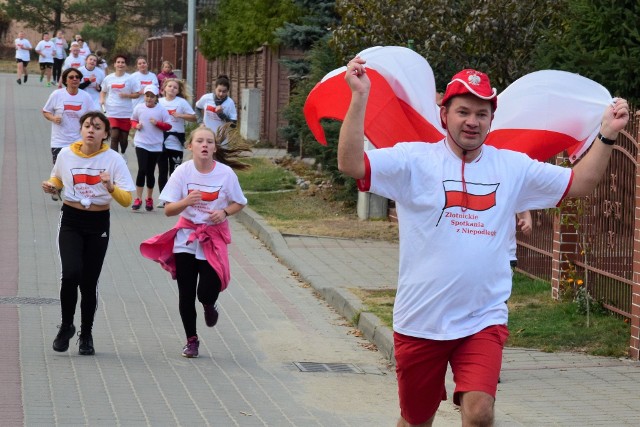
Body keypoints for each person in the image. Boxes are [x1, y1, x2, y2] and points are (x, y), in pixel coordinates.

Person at [338, 57, 629, 427]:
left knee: (479, 413)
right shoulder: (414, 160)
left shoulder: (512, 166)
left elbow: (579, 185)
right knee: (416, 419)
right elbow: (351, 165)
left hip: (482, 319)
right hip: (420, 321)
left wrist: (606, 134)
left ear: (492, 119)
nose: (472, 121)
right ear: (444, 115)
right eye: (463, 111)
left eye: (482, 113)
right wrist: (360, 97)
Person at [140, 126, 249, 358]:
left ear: (214, 148)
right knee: (186, 294)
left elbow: (240, 202)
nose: (205, 145)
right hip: (186, 239)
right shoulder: (182, 172)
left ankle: (209, 304)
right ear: (190, 146)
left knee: (207, 290)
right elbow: (168, 210)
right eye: (199, 141)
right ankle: (192, 340)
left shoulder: (226, 174)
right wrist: (186, 202)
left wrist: (225, 213)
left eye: (209, 142)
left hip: (212, 237)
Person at [42, 111, 135, 356]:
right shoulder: (66, 154)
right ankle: (65, 326)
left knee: (89, 282)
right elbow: (58, 177)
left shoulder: (114, 160)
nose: (91, 130)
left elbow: (126, 200)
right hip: (71, 219)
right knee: (70, 273)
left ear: (105, 133)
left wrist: (110, 187)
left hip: (98, 222)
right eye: (87, 126)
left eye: (97, 127)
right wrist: (52, 185)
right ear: (81, 130)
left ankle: (86, 333)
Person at [42, 68, 97, 202]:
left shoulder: (85, 96)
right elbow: (45, 111)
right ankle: (58, 187)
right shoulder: (57, 94)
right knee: (59, 166)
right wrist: (53, 118)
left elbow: (93, 115)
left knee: (76, 167)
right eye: (71, 77)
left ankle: (72, 193)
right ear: (66, 80)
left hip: (78, 139)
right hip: (59, 140)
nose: (74, 79)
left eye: (77, 77)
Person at [130, 85, 173, 211]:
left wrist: (158, 123)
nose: (149, 99)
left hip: (155, 145)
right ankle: (138, 198)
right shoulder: (139, 107)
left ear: (156, 98)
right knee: (142, 169)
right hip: (141, 143)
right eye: (147, 96)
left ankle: (149, 198)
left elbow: (168, 126)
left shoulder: (161, 110)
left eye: (152, 96)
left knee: (150, 172)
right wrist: (136, 125)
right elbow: (132, 120)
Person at [157, 78, 197, 207]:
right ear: (164, 88)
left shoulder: (182, 102)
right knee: (162, 171)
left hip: (176, 142)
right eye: (170, 86)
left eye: (175, 87)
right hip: (161, 141)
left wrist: (180, 115)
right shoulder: (159, 102)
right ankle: (163, 198)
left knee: (174, 172)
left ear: (179, 90)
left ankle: (174, 197)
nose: (172, 89)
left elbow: (194, 117)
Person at [100, 54, 139, 159]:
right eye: (118, 62)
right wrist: (102, 99)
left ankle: (123, 152)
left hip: (126, 113)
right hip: (112, 111)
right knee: (114, 135)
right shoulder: (108, 78)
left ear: (125, 65)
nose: (120, 64)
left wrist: (127, 95)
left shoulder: (130, 79)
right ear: (114, 64)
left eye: (122, 62)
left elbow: (137, 94)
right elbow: (103, 92)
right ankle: (114, 158)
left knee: (123, 139)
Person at [195, 75, 237, 143]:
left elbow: (233, 125)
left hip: (221, 140)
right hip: (206, 137)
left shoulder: (230, 103)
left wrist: (221, 114)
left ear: (228, 91)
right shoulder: (206, 98)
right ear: (215, 88)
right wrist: (200, 122)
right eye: (219, 90)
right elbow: (197, 108)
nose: (221, 94)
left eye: (224, 91)